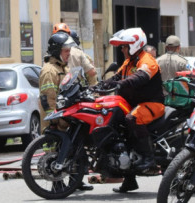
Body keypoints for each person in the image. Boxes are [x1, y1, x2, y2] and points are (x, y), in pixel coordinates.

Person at [103, 27, 165, 193]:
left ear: (134, 44)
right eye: (122, 46)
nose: (122, 49)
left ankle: (149, 159)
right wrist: (100, 85)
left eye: (124, 46)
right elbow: (116, 77)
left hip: (152, 104)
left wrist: (121, 83)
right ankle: (129, 181)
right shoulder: (128, 62)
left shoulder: (147, 60)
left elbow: (140, 77)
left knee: (132, 119)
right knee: (119, 132)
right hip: (134, 104)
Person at [38, 32, 94, 191]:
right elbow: (49, 99)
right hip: (56, 119)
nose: (69, 54)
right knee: (56, 151)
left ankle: (76, 181)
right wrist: (54, 120)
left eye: (69, 50)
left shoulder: (64, 67)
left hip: (67, 116)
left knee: (73, 149)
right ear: (56, 51)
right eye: (66, 51)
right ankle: (57, 184)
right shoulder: (50, 71)